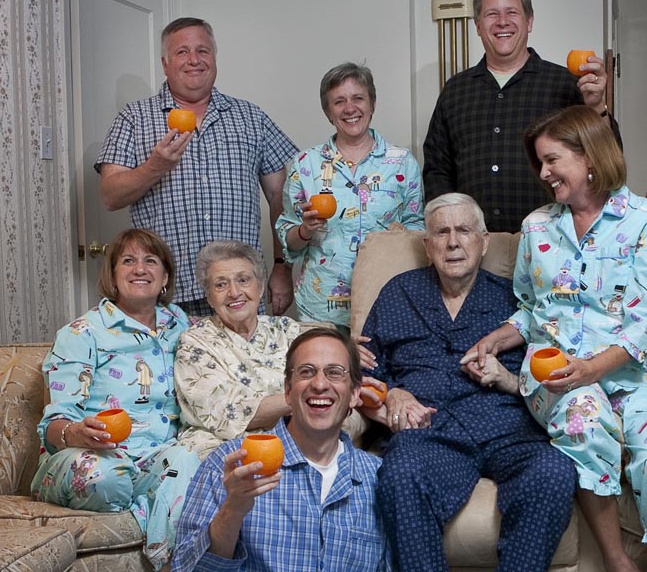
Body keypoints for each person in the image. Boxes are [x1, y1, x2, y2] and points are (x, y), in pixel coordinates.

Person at [466, 105, 647, 572]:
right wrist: (497, 339)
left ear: (589, 157)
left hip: (628, 376)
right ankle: (616, 560)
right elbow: (529, 308)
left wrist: (594, 369)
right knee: (586, 423)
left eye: (552, 160)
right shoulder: (537, 226)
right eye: (540, 163)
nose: (543, 174)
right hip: (556, 375)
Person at [359, 193, 577, 571]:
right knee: (400, 473)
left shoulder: (517, 301)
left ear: (484, 240)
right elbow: (363, 370)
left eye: (464, 230)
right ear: (427, 245)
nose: (453, 242)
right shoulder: (398, 293)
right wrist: (392, 391)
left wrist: (507, 377)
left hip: (509, 432)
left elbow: (551, 375)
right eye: (441, 232)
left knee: (554, 470)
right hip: (430, 432)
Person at [96, 17, 298, 317]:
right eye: (182, 52)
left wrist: (282, 268)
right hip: (164, 295)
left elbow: (283, 199)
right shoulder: (134, 118)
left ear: (214, 58)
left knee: (243, 365)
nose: (194, 60)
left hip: (239, 291)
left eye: (203, 51)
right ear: (165, 63)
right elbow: (110, 196)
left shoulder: (252, 118)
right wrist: (155, 166)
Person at [31, 229, 198, 570]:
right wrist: (76, 433)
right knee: (105, 475)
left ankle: (169, 562)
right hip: (90, 455)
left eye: (150, 261)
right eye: (128, 261)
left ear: (164, 277)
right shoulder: (82, 333)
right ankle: (152, 507)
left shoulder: (182, 325)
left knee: (191, 459)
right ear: (113, 274)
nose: (140, 269)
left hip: (157, 458)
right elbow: (53, 426)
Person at [172, 328, 390, 571]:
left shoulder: (379, 477)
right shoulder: (230, 465)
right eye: (307, 372)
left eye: (335, 373)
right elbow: (185, 568)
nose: (319, 384)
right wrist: (232, 511)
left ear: (354, 394)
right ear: (287, 391)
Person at [422, 0, 621, 233]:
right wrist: (450, 227)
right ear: (478, 26)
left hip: (552, 241)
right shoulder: (455, 90)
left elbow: (609, 159)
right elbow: (437, 169)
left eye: (512, 12)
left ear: (529, 22)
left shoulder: (566, 84)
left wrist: (596, 107)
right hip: (472, 247)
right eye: (492, 14)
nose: (502, 21)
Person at [276, 62, 424, 332]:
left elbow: (419, 228)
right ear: (328, 112)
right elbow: (289, 240)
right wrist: (305, 231)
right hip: (320, 307)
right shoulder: (304, 165)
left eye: (358, 98)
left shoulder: (402, 163)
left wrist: (403, 234)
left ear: (372, 104)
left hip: (386, 302)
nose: (350, 108)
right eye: (339, 101)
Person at [174, 240, 303, 460]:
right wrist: (304, 399)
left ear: (260, 287)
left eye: (243, 280)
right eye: (220, 285)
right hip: (220, 448)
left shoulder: (287, 330)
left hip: (290, 438)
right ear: (209, 297)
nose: (234, 292)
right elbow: (226, 412)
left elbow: (322, 377)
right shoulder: (194, 343)